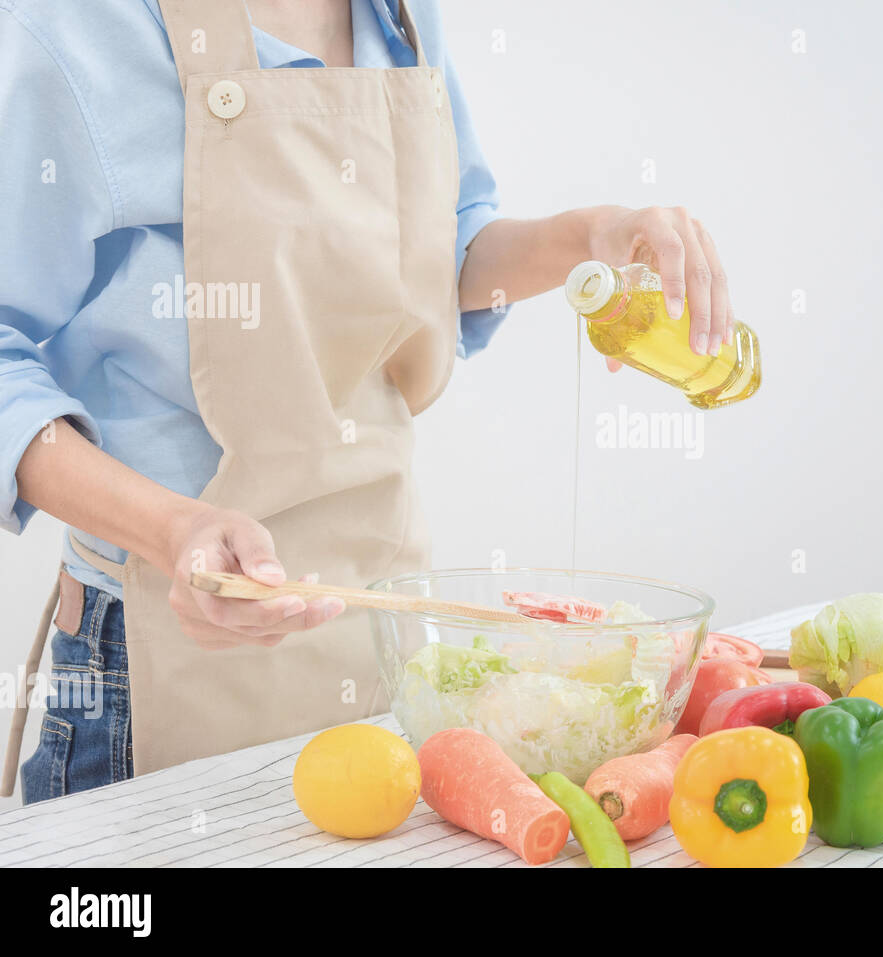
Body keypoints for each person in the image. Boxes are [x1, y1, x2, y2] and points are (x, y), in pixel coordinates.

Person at [0, 0, 735, 803]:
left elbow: (443, 258)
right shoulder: (78, 30)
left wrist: (589, 234)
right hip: (163, 652)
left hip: (386, 633)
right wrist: (173, 530)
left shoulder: (404, 18)